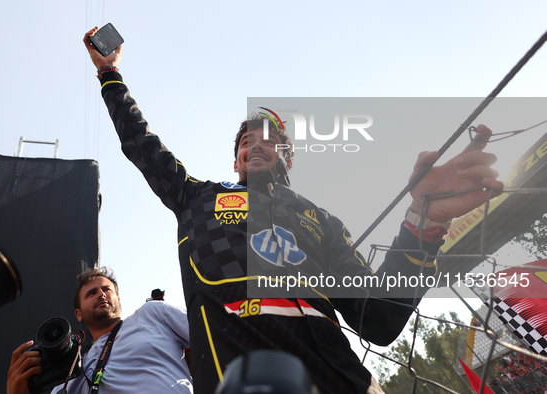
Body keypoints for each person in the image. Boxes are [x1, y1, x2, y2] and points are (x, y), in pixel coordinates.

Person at [82, 26, 503, 394]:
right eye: (246, 141)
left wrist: (424, 223)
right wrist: (109, 74)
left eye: (269, 139)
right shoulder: (197, 198)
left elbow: (378, 317)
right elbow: (142, 144)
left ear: (288, 157)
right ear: (236, 160)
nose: (256, 144)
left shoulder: (322, 221)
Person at [7, 268, 192, 394]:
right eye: (91, 293)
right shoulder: (72, 374)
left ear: (119, 300)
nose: (101, 294)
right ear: (78, 315)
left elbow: (212, 336)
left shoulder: (152, 313)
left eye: (106, 289)